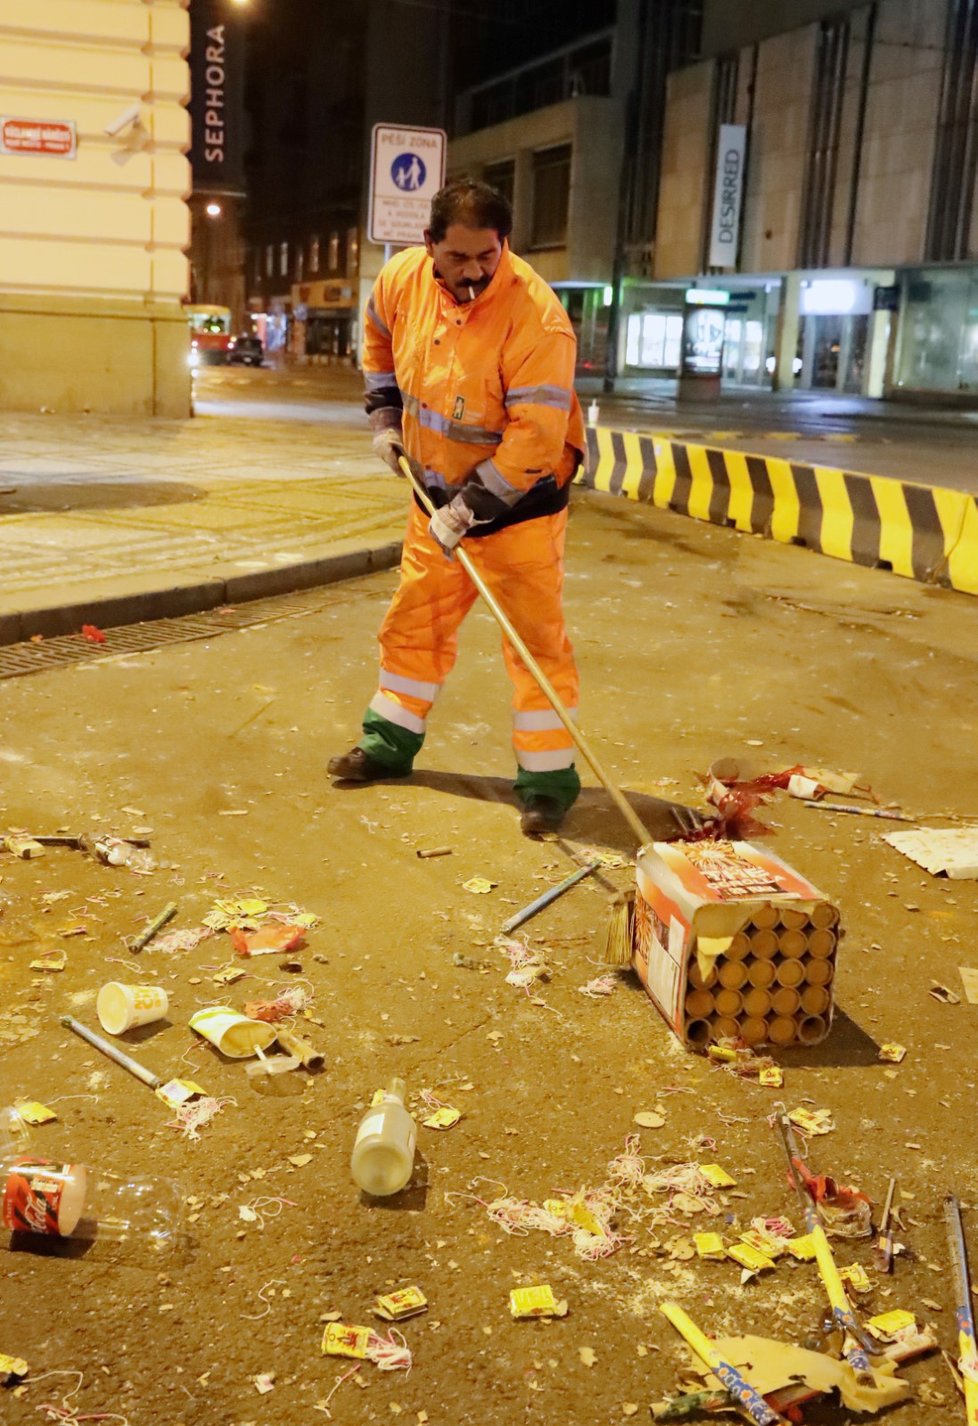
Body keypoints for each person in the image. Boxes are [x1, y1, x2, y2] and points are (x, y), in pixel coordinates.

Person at [328, 178, 586, 835]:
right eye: (458, 258)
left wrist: (470, 508)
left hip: (520, 510)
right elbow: (378, 339)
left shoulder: (537, 318)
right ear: (429, 246)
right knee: (414, 626)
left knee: (535, 648)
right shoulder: (400, 281)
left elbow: (536, 439)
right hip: (433, 495)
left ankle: (548, 784)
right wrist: (384, 417)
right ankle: (388, 747)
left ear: (505, 244)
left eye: (487, 257)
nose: (473, 273)